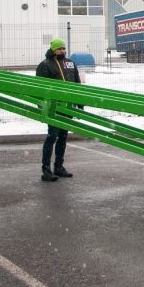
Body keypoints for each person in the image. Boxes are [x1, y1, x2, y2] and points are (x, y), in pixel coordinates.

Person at [36, 38, 81, 182]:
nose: (62, 50)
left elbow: (76, 82)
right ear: (53, 49)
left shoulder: (69, 63)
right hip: (53, 106)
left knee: (63, 136)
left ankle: (59, 167)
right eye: (59, 48)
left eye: (63, 48)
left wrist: (79, 102)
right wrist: (42, 105)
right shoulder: (45, 65)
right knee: (52, 136)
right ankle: (46, 170)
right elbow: (40, 88)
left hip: (67, 106)